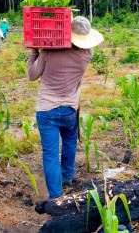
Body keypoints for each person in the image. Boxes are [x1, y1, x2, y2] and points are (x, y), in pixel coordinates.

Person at [27, 16, 104, 200]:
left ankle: (56, 196)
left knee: (50, 153)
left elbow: (32, 75)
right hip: (70, 109)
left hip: (47, 110)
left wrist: (34, 52)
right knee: (70, 141)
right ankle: (67, 176)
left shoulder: (49, 52)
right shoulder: (88, 54)